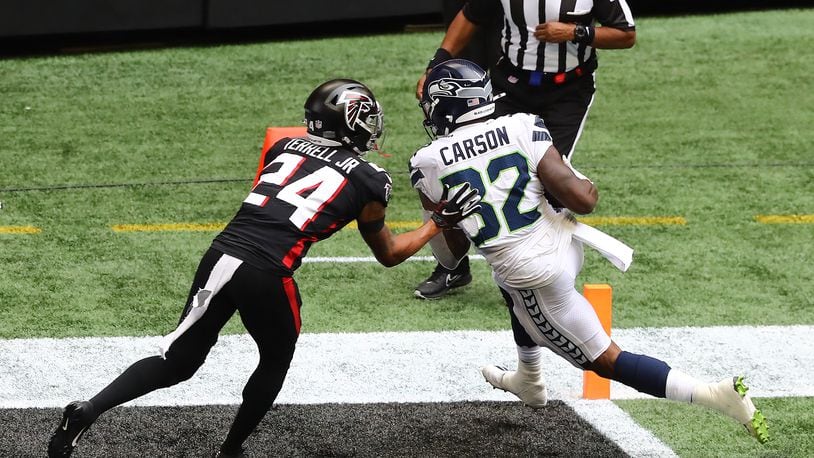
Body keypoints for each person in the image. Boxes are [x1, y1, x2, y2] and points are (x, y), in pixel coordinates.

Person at [47, 79, 481, 458]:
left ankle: (89, 409)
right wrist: (436, 223)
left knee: (177, 360)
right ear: (355, 121)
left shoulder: (283, 146)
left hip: (221, 254)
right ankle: (231, 449)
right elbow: (388, 253)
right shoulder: (372, 179)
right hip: (267, 271)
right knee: (275, 359)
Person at [409, 59, 769, 443]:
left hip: (535, 273)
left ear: (447, 103)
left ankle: (714, 395)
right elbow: (584, 199)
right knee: (509, 283)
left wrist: (444, 221)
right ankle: (528, 379)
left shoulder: (427, 162)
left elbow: (452, 256)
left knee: (604, 359)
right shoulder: (520, 124)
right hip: (566, 242)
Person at [413, 0, 636, 300]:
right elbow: (471, 14)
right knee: (458, 169)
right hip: (510, 83)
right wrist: (436, 65)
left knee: (552, 182)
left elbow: (626, 34)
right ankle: (451, 266)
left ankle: (545, 265)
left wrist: (576, 32)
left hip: (569, 89)